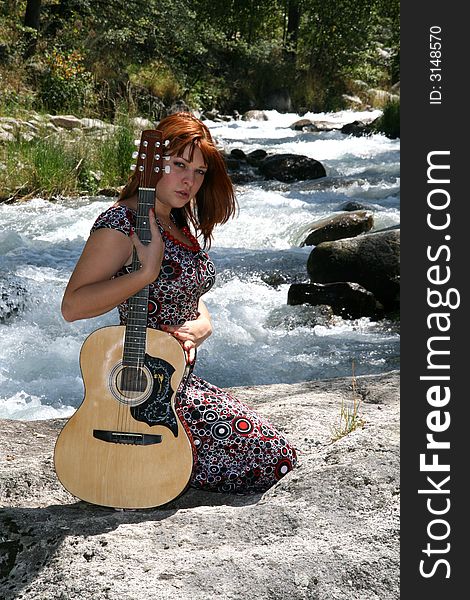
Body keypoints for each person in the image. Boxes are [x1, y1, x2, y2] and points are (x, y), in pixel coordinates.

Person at [61, 112, 297, 493]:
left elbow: (191, 296)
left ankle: (159, 469)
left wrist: (203, 325)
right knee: (274, 458)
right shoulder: (121, 223)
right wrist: (144, 272)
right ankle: (146, 470)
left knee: (278, 457)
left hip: (179, 385)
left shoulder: (176, 220)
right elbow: (73, 306)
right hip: (142, 391)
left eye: (200, 171)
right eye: (179, 165)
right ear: (152, 164)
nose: (189, 180)